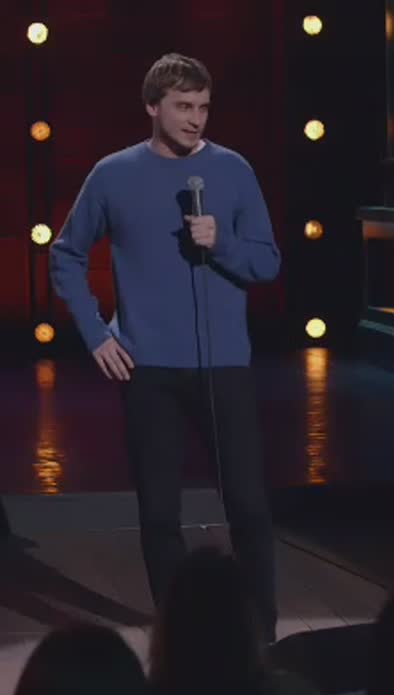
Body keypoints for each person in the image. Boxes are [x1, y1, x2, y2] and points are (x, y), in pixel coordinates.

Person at [49, 52, 281, 642]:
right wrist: (97, 334)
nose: (195, 119)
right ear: (152, 106)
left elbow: (267, 262)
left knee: (249, 509)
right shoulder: (112, 175)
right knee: (159, 514)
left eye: (203, 107)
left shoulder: (233, 170)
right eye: (183, 106)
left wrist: (221, 242)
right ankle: (180, 637)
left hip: (224, 366)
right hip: (148, 368)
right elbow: (66, 255)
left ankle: (260, 635)